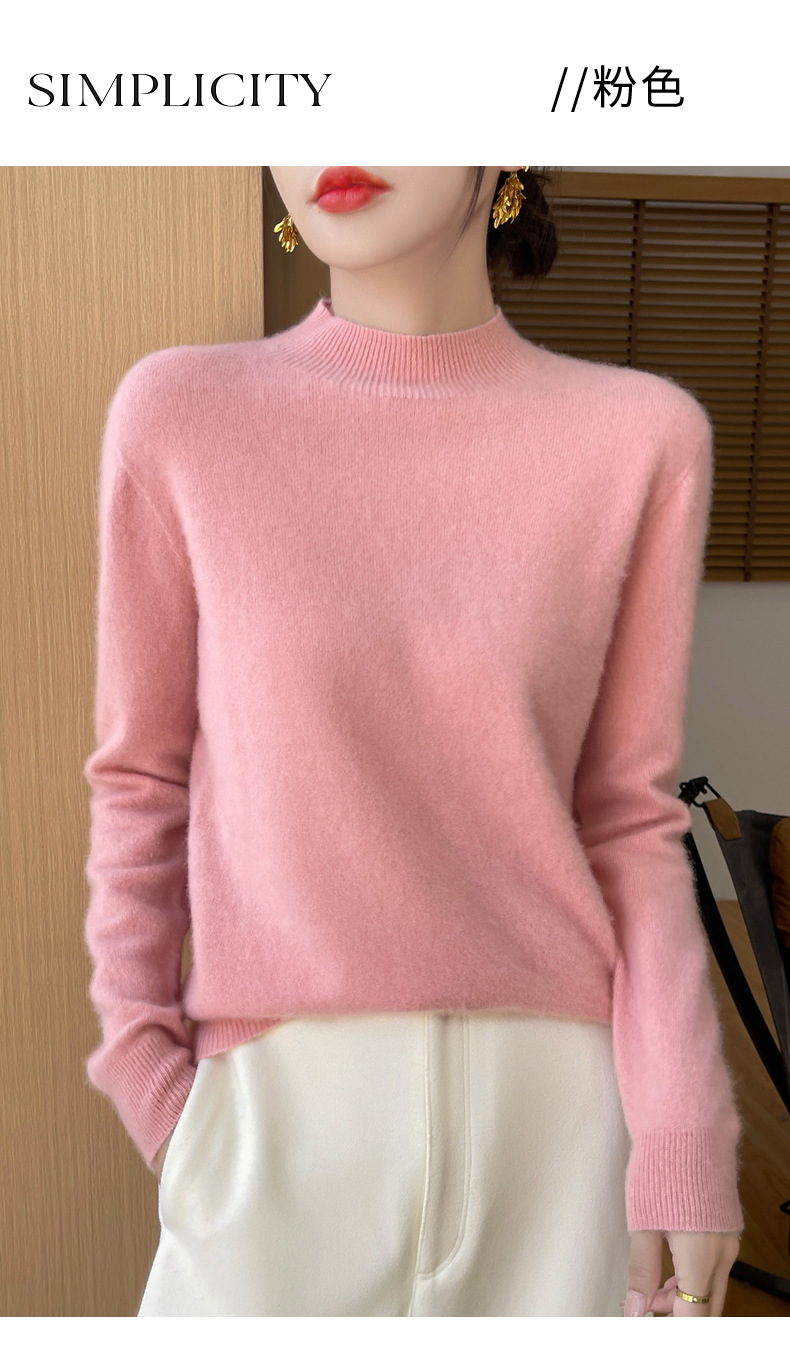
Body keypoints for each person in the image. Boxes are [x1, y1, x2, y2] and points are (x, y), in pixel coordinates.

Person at [82, 166, 744, 1317]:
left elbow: (624, 816)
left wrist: (682, 1130)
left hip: (561, 1131)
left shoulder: (639, 437)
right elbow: (143, 776)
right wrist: (153, 1083)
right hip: (276, 1127)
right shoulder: (181, 414)